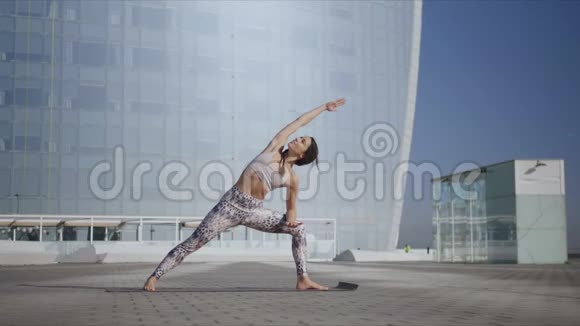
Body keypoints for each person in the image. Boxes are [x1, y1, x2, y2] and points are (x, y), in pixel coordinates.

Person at [143, 98, 347, 292]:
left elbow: (291, 207)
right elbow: (299, 121)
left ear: (302, 154)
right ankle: (155, 276)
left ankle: (303, 279)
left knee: (300, 230)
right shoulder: (275, 147)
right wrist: (323, 108)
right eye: (300, 136)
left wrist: (292, 222)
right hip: (229, 206)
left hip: (254, 211)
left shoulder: (292, 178)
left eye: (302, 141)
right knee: (194, 242)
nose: (297, 138)